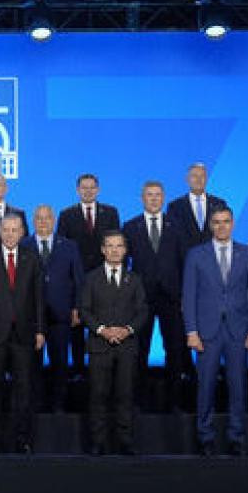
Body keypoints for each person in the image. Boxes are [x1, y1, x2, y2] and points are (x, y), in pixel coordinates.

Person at [182, 208, 248, 457]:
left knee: (237, 386)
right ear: (210, 225)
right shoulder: (196, 254)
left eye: (226, 222)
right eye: (216, 222)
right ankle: (205, 437)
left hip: (238, 331)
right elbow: (189, 296)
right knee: (205, 386)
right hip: (207, 331)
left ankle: (236, 436)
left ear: (233, 224)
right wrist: (191, 331)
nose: (221, 226)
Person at [0, 214, 45, 454]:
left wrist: (40, 330)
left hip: (24, 335)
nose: (10, 234)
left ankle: (22, 441)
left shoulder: (32, 258)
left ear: (22, 232)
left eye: (15, 230)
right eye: (6, 229)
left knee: (23, 391)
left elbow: (39, 297)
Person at [79, 230, 148, 455]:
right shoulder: (91, 278)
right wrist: (102, 330)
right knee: (98, 395)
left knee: (125, 395)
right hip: (99, 346)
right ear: (103, 250)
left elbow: (142, 311)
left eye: (119, 246)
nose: (115, 250)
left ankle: (125, 442)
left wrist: (127, 330)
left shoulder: (134, 279)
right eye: (110, 246)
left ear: (125, 250)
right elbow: (84, 310)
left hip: (127, 346)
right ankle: (98, 442)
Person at [122, 180, 189, 412]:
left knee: (175, 351)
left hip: (172, 298)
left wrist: (184, 296)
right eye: (149, 195)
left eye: (157, 195)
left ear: (163, 198)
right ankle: (139, 402)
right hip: (142, 299)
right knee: (139, 351)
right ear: (142, 198)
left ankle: (174, 403)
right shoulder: (130, 227)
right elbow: (124, 266)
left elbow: (185, 262)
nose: (153, 199)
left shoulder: (176, 225)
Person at [57, 173, 120, 380]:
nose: (88, 191)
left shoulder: (110, 213)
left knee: (104, 324)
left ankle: (103, 370)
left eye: (92, 187)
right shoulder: (67, 215)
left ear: (98, 190)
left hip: (104, 280)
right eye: (84, 187)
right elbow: (61, 250)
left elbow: (117, 246)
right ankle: (78, 370)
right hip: (75, 281)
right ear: (78, 190)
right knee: (76, 328)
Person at [22, 204, 83, 414]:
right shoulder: (23, 245)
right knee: (32, 363)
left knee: (60, 362)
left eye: (47, 218)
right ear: (33, 221)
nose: (43, 222)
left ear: (54, 220)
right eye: (39, 218)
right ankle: (36, 404)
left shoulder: (69, 246)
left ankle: (59, 404)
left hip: (61, 313)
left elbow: (78, 280)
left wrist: (77, 307)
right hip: (31, 315)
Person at [166, 162, 228, 251]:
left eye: (202, 176)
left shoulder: (219, 204)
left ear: (206, 179)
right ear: (187, 179)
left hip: (213, 257)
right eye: (194, 176)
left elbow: (223, 233)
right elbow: (172, 238)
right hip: (185, 257)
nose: (198, 180)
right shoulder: (175, 207)